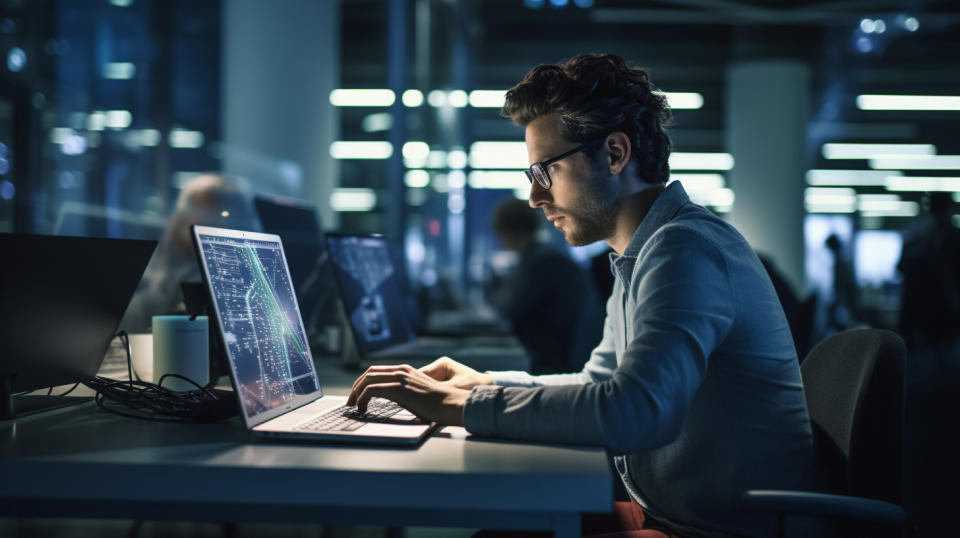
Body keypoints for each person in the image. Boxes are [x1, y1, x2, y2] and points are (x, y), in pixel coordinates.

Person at [348, 54, 814, 537]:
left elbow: (636, 412)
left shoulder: (684, 249)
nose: (534, 197)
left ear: (614, 154)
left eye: (545, 171)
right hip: (680, 515)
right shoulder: (642, 252)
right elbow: (599, 381)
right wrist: (481, 383)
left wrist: (461, 406)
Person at [120, 173, 260, 333]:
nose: (210, 240)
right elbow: (128, 329)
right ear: (177, 223)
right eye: (203, 225)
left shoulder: (248, 282)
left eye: (220, 227)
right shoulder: (155, 269)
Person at [490, 197, 598, 374]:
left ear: (506, 232)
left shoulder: (542, 261)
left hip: (553, 360)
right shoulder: (542, 255)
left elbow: (511, 309)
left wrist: (494, 286)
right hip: (557, 352)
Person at [897, 192, 960, 351]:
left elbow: (902, 270)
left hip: (929, 310)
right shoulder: (922, 240)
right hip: (938, 310)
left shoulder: (918, 240)